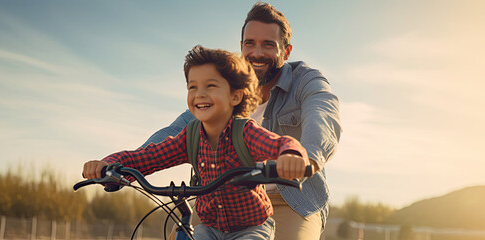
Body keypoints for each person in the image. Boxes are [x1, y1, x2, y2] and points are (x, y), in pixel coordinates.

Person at [141, 2, 342, 239]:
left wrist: (307, 157)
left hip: (290, 200)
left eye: (268, 45)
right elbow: (181, 127)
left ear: (286, 52)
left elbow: (324, 113)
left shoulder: (305, 81)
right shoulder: (228, 85)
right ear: (241, 47)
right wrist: (127, 165)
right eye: (250, 43)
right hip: (220, 198)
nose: (257, 53)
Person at [83, 45, 311, 240]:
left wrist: (291, 156)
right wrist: (109, 164)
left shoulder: (245, 132)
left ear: (235, 96)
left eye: (210, 86)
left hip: (251, 227)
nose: (199, 94)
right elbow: (147, 157)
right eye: (193, 87)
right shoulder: (190, 137)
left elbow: (279, 144)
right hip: (210, 228)